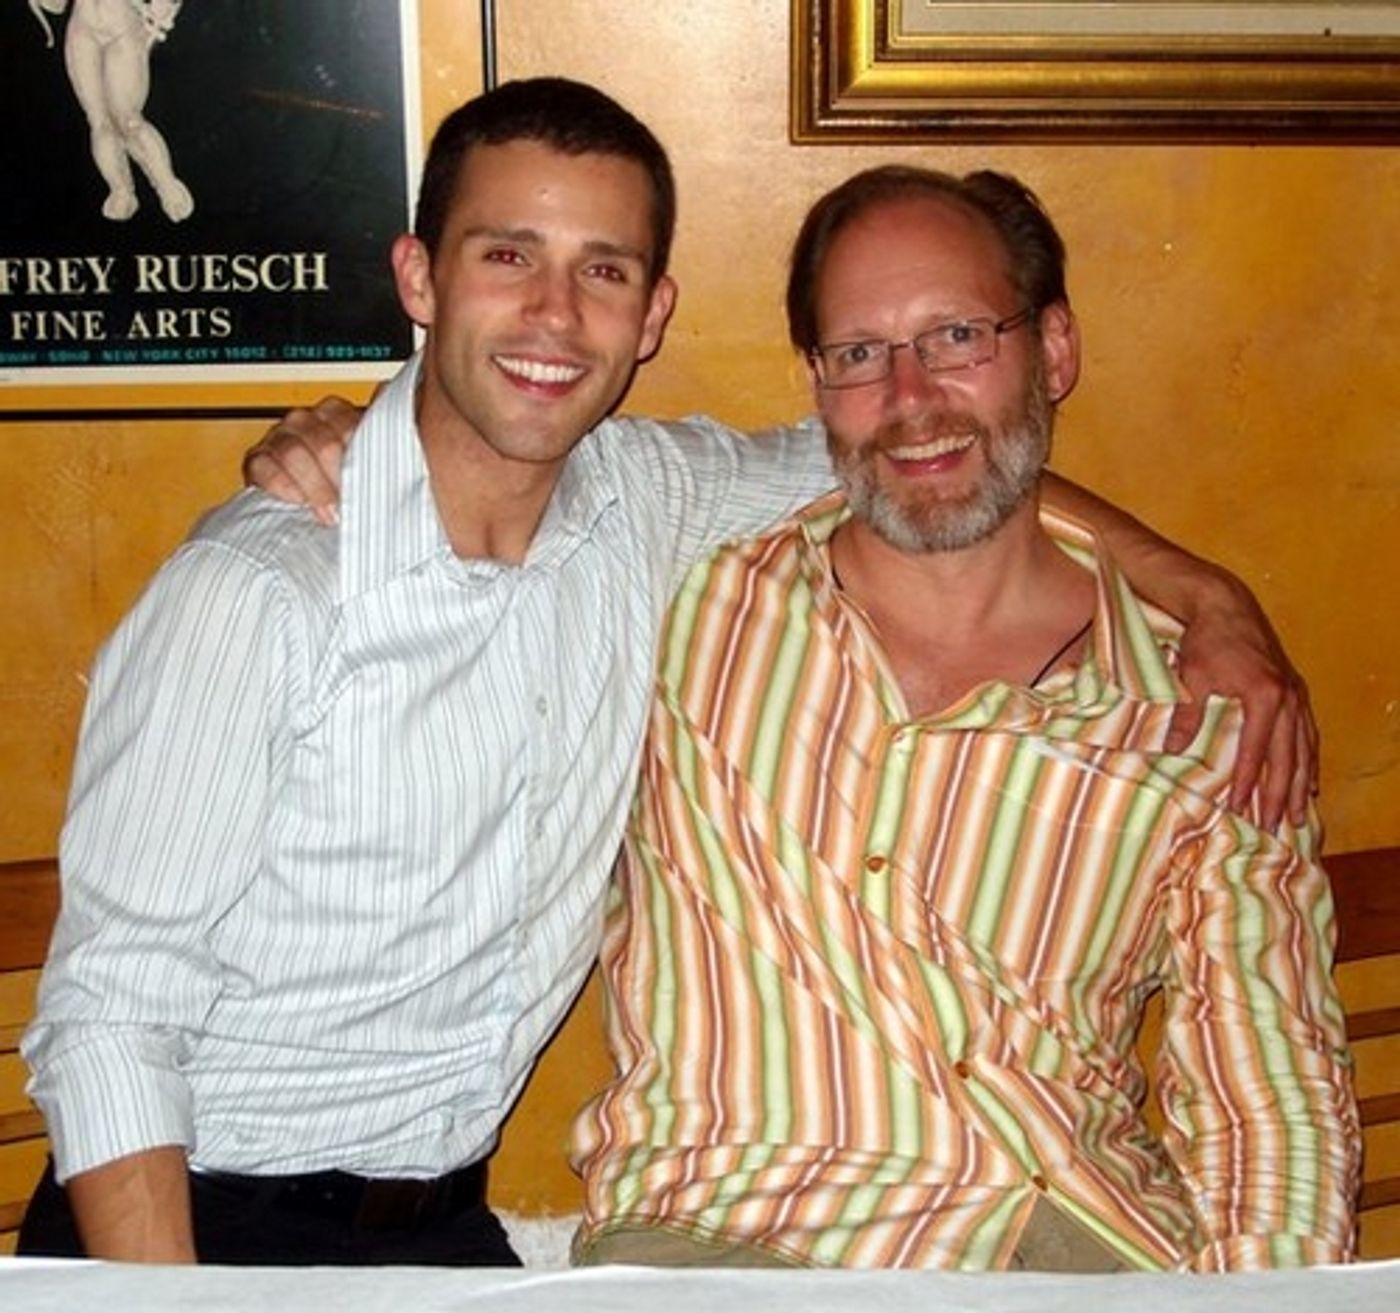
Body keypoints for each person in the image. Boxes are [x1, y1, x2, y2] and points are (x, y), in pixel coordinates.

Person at [20, 76, 845, 1266]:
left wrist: (1198, 591)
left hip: (446, 1228)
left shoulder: (645, 501)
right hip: (195, 1222)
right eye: (508, 255)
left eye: (602, 270)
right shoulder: (259, 590)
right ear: (419, 278)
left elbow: (904, 442)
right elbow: (109, 1016)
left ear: (652, 313)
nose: (554, 316)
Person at [568, 166, 1358, 1272]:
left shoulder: (1204, 711)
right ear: (816, 383)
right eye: (858, 353)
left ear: (1054, 351)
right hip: (720, 1237)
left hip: (1063, 1239)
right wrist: (325, 457)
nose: (908, 396)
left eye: (955, 337)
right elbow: (487, 458)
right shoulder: (687, 598)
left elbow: (1264, 1088)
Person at [33, 0, 194, 222]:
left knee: (129, 119)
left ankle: (167, 186)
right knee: (99, 121)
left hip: (123, 25)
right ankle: (121, 191)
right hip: (83, 28)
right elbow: (57, 6)